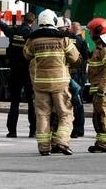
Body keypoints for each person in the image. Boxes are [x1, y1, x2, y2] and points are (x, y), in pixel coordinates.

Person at [23, 9, 80, 156]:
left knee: (42, 114)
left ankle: (43, 147)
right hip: (60, 83)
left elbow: (27, 55)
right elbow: (75, 58)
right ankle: (61, 141)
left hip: (40, 82)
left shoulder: (32, 40)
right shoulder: (63, 38)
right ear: (54, 21)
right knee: (65, 114)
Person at [0, 11, 36, 138]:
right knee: (32, 102)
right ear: (33, 21)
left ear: (22, 20)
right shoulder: (32, 35)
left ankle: (12, 131)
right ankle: (33, 130)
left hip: (15, 70)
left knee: (14, 102)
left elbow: (4, 27)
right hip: (28, 72)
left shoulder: (14, 31)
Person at [86, 18, 106, 153]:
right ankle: (101, 142)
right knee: (98, 118)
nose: (90, 34)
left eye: (91, 31)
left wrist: (102, 89)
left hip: (103, 91)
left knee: (104, 116)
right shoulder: (100, 47)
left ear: (97, 31)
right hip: (99, 90)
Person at [68, 21, 91, 139]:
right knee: (78, 101)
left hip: (69, 74)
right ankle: (79, 129)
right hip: (79, 74)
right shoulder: (82, 41)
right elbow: (86, 58)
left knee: (68, 102)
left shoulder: (65, 39)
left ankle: (72, 129)